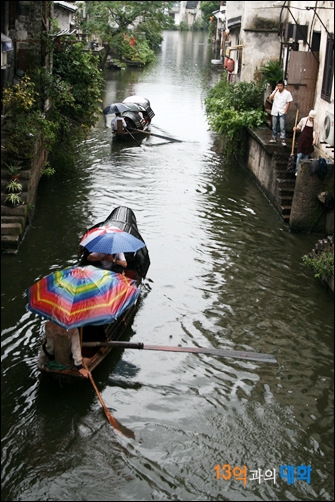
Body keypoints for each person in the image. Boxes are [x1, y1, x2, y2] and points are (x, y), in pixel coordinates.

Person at [293, 110, 319, 176]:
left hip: (309, 141)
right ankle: (297, 170)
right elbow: (299, 126)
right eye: (310, 118)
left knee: (306, 157)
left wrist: (315, 140)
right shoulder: (303, 120)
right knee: (299, 156)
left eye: (312, 118)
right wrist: (296, 128)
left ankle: (303, 171)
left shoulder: (315, 123)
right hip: (302, 140)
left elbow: (317, 132)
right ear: (308, 115)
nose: (310, 119)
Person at [269, 79, 293, 146]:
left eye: (281, 86)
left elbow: (288, 102)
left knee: (282, 126)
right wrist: (275, 90)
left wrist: (285, 110)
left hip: (282, 111)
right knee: (274, 125)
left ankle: (283, 138)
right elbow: (270, 98)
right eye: (278, 86)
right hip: (275, 110)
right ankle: (274, 137)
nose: (279, 87)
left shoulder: (287, 93)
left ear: (283, 86)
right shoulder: (275, 92)